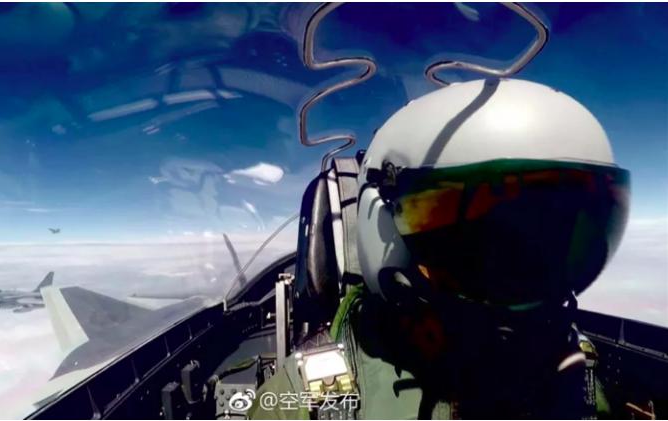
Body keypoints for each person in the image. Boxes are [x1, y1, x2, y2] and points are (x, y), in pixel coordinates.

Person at [249, 78, 629, 419]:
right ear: (384, 234)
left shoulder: (575, 373)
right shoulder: (303, 403)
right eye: (468, 244)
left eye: (550, 243)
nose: (520, 276)